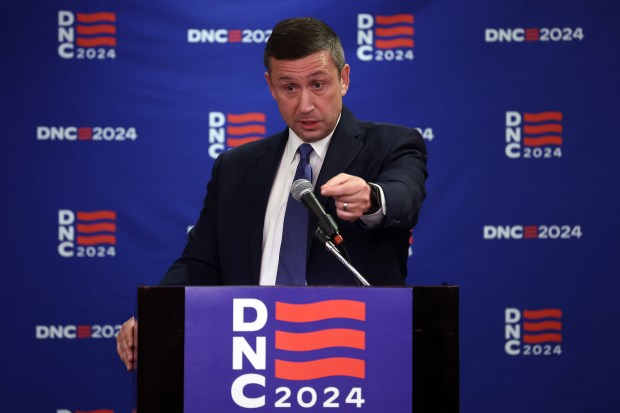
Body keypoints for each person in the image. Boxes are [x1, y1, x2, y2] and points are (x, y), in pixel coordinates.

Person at [117, 17, 427, 370]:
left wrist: (372, 197)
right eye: (290, 88)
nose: (306, 104)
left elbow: (405, 196)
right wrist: (155, 313)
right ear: (271, 86)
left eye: (318, 84)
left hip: (348, 358)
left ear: (344, 79)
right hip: (250, 360)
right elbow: (199, 263)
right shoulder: (236, 167)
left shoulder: (391, 144)